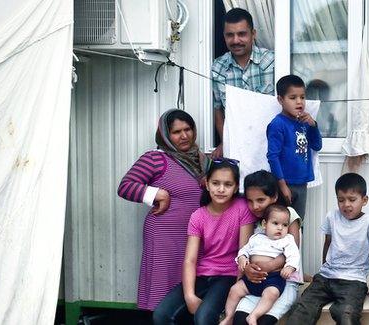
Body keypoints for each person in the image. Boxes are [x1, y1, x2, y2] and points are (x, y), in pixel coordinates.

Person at [117, 109, 211, 311]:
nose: (184, 136)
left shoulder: (202, 161)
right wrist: (158, 194)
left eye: (188, 129)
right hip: (163, 237)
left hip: (194, 237)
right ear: (166, 135)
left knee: (191, 290)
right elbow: (125, 186)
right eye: (177, 132)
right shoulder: (155, 158)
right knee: (162, 289)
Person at [152, 160, 258, 324]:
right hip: (203, 274)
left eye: (228, 184)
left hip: (228, 276)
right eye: (216, 183)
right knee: (161, 314)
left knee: (203, 317)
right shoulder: (198, 216)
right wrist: (189, 296)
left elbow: (244, 253)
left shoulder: (242, 208)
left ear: (236, 187)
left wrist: (237, 291)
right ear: (207, 184)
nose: (221, 189)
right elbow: (190, 260)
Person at [286, 173, 369, 325]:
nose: (346, 205)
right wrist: (324, 267)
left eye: (352, 199)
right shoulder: (332, 216)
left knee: (346, 314)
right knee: (302, 310)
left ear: (364, 200)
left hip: (353, 280)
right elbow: (328, 242)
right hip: (326, 277)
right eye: (341, 200)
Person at [231, 170, 305, 325]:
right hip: (255, 281)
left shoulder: (287, 215)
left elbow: (292, 252)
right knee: (239, 321)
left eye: (260, 200)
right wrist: (248, 269)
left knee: (263, 321)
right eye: (250, 201)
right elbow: (246, 250)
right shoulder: (254, 220)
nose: (255, 206)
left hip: (283, 282)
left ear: (274, 197)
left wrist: (268, 266)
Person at [220, 205, 300, 325]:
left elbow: (294, 255)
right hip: (251, 278)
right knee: (234, 290)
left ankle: (254, 315)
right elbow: (244, 250)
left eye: (284, 225)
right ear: (264, 224)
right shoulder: (256, 238)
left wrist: (290, 267)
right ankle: (229, 316)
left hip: (273, 278)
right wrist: (242, 258)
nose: (280, 228)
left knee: (272, 293)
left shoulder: (287, 240)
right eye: (275, 223)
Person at [212, 8, 275, 157]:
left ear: (253, 34)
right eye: (230, 35)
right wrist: (225, 142)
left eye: (241, 34)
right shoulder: (218, 67)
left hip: (270, 145)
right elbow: (218, 109)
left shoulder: (272, 62)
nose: (235, 41)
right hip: (238, 148)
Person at [266, 74, 322, 219]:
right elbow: (273, 156)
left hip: (302, 182)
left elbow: (317, 145)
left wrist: (313, 125)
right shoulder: (277, 124)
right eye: (293, 98)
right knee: (281, 223)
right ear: (280, 100)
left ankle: (297, 243)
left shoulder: (305, 121)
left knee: (298, 223)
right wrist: (282, 185)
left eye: (302, 97)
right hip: (284, 183)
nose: (299, 102)